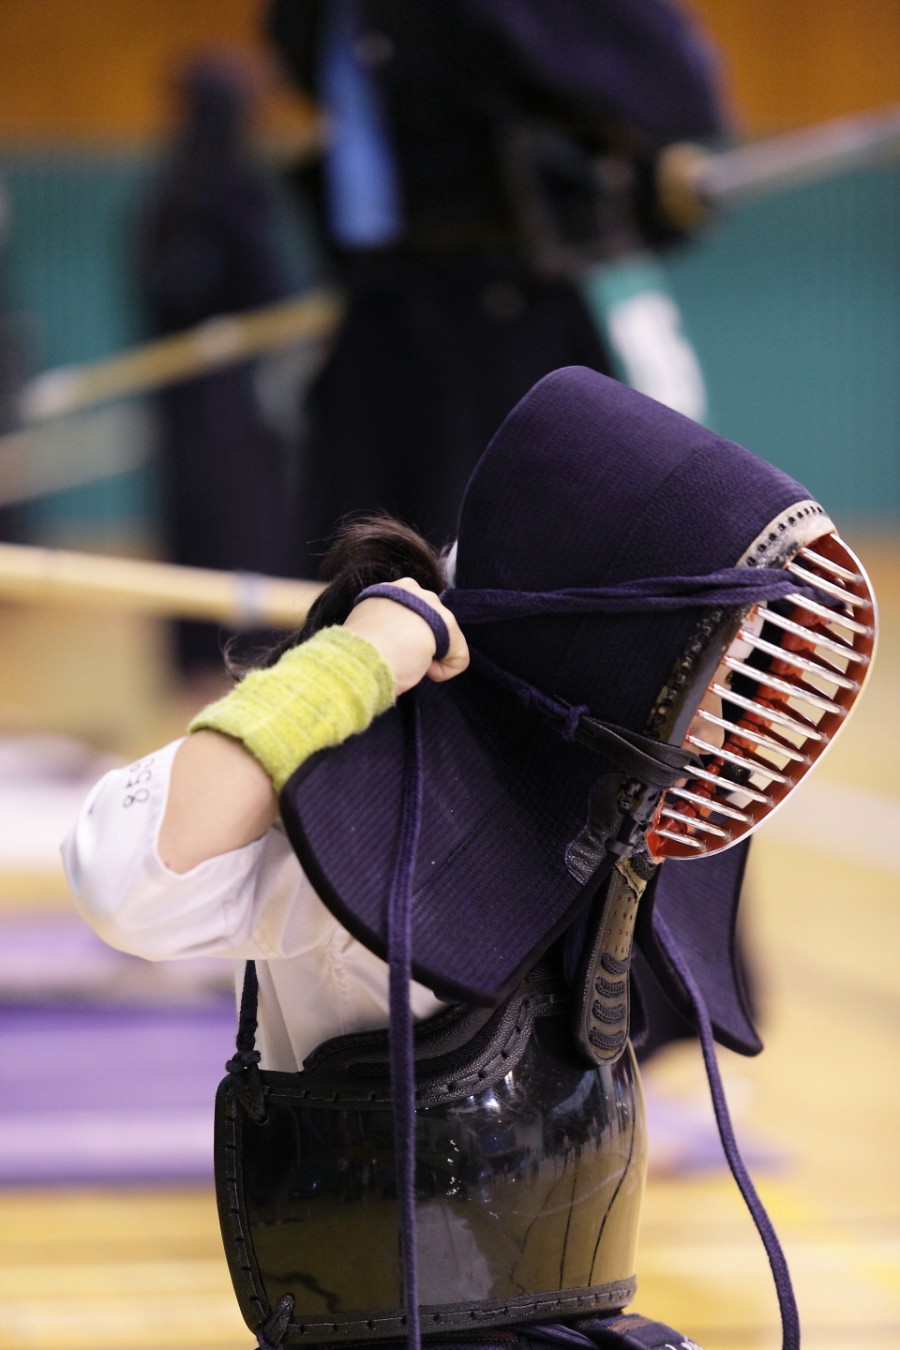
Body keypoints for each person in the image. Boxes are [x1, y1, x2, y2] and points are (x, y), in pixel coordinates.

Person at [62, 368, 876, 1350]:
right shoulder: (383, 808)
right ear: (622, 640)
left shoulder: (602, 797)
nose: (735, 695)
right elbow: (122, 870)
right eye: (723, 648)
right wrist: (350, 667)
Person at [264, 0, 729, 572]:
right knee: (357, 553)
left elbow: (661, 89)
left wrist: (641, 162)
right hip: (381, 313)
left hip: (505, 315)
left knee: (506, 550)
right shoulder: (322, 17)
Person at [137, 51, 298, 681]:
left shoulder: (171, 187)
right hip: (221, 397)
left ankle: (209, 652)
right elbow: (264, 285)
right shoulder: (223, 188)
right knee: (239, 519)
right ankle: (238, 651)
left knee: (211, 517)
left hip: (196, 392)